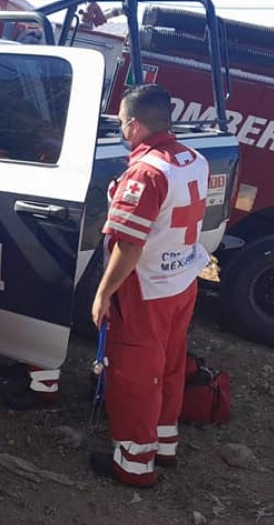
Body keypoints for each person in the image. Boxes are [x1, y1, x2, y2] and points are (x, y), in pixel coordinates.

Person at [89, 84, 209, 488]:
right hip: (181, 281)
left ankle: (134, 466)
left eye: (122, 124)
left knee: (135, 375)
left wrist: (104, 293)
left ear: (136, 125)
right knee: (170, 366)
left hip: (145, 290)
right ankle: (164, 442)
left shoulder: (145, 172)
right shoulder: (194, 159)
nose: (122, 131)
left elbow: (129, 245)